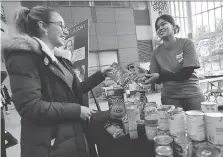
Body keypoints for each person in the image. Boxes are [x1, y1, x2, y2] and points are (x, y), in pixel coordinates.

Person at [2, 6, 111, 157]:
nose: (66, 31)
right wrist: (77, 110)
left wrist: (100, 74)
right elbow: (30, 106)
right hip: (49, 145)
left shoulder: (61, 59)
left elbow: (75, 91)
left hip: (74, 137)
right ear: (43, 26)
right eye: (61, 25)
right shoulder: (23, 57)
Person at [141, 14, 205, 111]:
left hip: (192, 95)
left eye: (163, 24)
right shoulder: (156, 53)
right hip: (169, 98)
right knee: (174, 126)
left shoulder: (187, 44)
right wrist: (145, 75)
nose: (160, 28)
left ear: (173, 26)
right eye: (157, 27)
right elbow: (156, 78)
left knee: (197, 125)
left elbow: (185, 74)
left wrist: (159, 76)